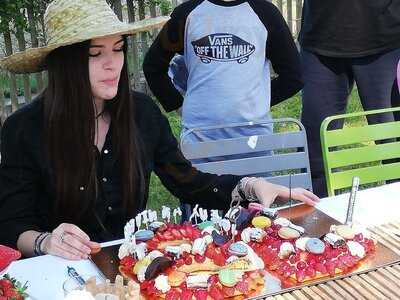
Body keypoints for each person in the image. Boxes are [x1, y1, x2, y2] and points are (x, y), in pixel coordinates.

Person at [0, 0, 318, 261]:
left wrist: (251, 186)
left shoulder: (141, 114)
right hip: (54, 274)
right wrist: (45, 241)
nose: (113, 64)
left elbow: (189, 182)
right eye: (95, 54)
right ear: (63, 64)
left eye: (118, 49)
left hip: (131, 266)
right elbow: (11, 223)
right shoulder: (24, 129)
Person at [144, 0, 303, 219]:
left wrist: (256, 100)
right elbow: (153, 66)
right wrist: (179, 105)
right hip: (201, 146)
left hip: (253, 145)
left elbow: (294, 76)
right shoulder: (187, 14)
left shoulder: (265, 13)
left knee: (259, 224)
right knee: (201, 226)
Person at [299, 0, 400, 197]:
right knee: (316, 147)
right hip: (321, 37)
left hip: (387, 39)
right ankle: (318, 218)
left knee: (393, 142)